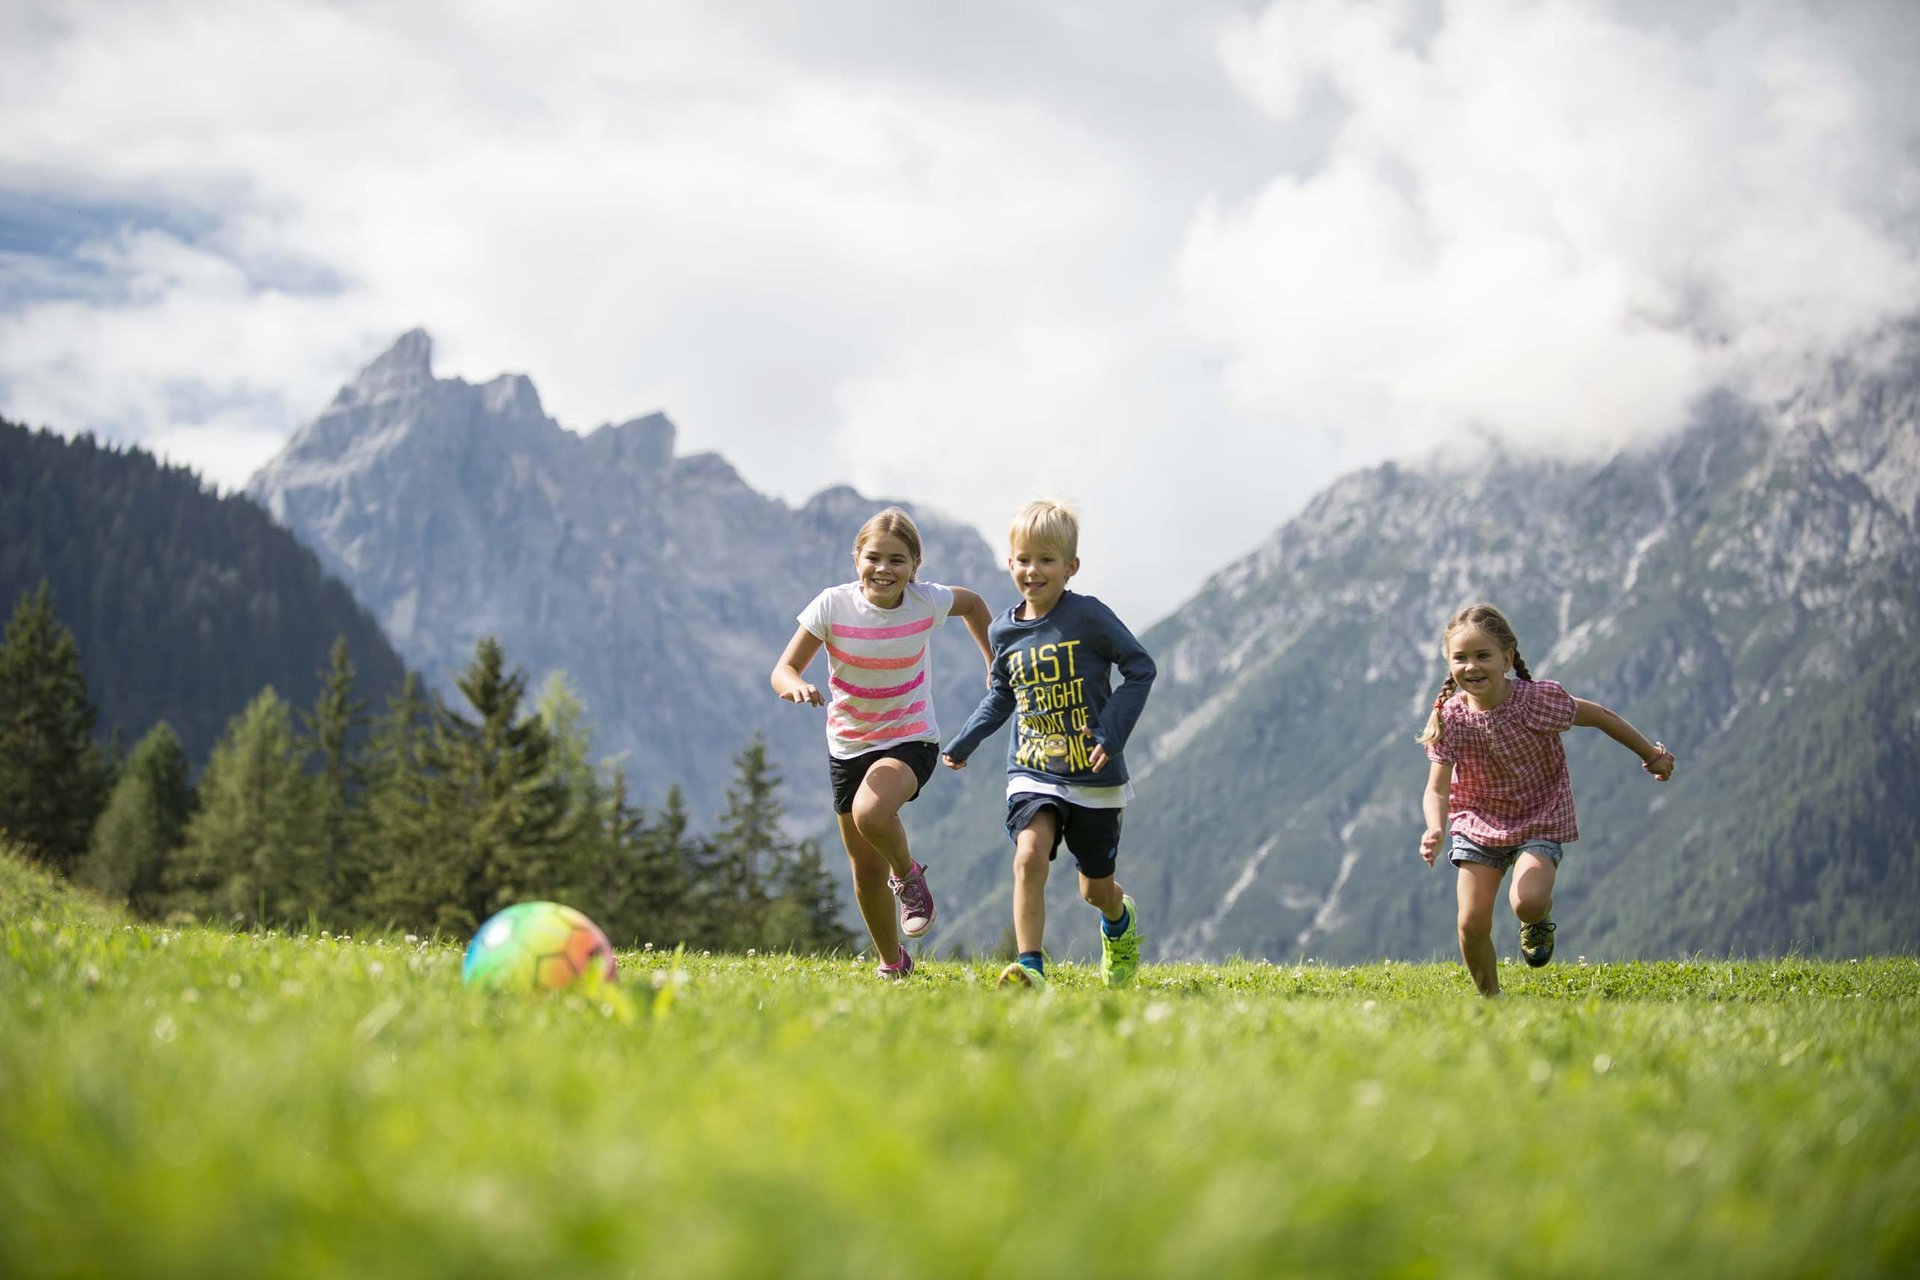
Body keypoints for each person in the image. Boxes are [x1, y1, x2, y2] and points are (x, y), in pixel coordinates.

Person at [942, 500, 1156, 991]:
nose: (1032, 570)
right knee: (1029, 855)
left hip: (1094, 776)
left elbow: (1140, 667)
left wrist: (1112, 731)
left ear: (1070, 567)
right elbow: (1002, 694)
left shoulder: (1089, 616)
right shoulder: (1002, 630)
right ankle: (1031, 968)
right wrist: (965, 741)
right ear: (1009, 562)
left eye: (1046, 560)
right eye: (1023, 559)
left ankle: (1119, 920)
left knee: (1094, 890)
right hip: (1033, 769)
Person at [772, 508, 993, 980]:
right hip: (847, 746)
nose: (883, 569)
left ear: (915, 566)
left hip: (910, 738)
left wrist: (994, 662)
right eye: (873, 557)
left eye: (897, 560)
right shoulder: (831, 605)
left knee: (870, 814)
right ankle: (893, 964)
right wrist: (796, 685)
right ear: (856, 558)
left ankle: (909, 876)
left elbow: (974, 604)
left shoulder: (926, 601)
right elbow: (782, 669)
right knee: (864, 869)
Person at [1417, 602, 1676, 996]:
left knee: (1528, 902)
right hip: (1477, 822)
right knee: (1470, 923)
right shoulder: (1449, 718)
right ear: (1448, 663)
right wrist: (1435, 827)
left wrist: (1651, 754)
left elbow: (1601, 716)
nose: (1472, 666)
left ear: (1507, 658)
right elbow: (1437, 787)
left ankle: (1536, 921)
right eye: (1461, 658)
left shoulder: (1537, 701)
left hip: (1539, 817)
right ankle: (1491, 1002)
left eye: (1483, 655)